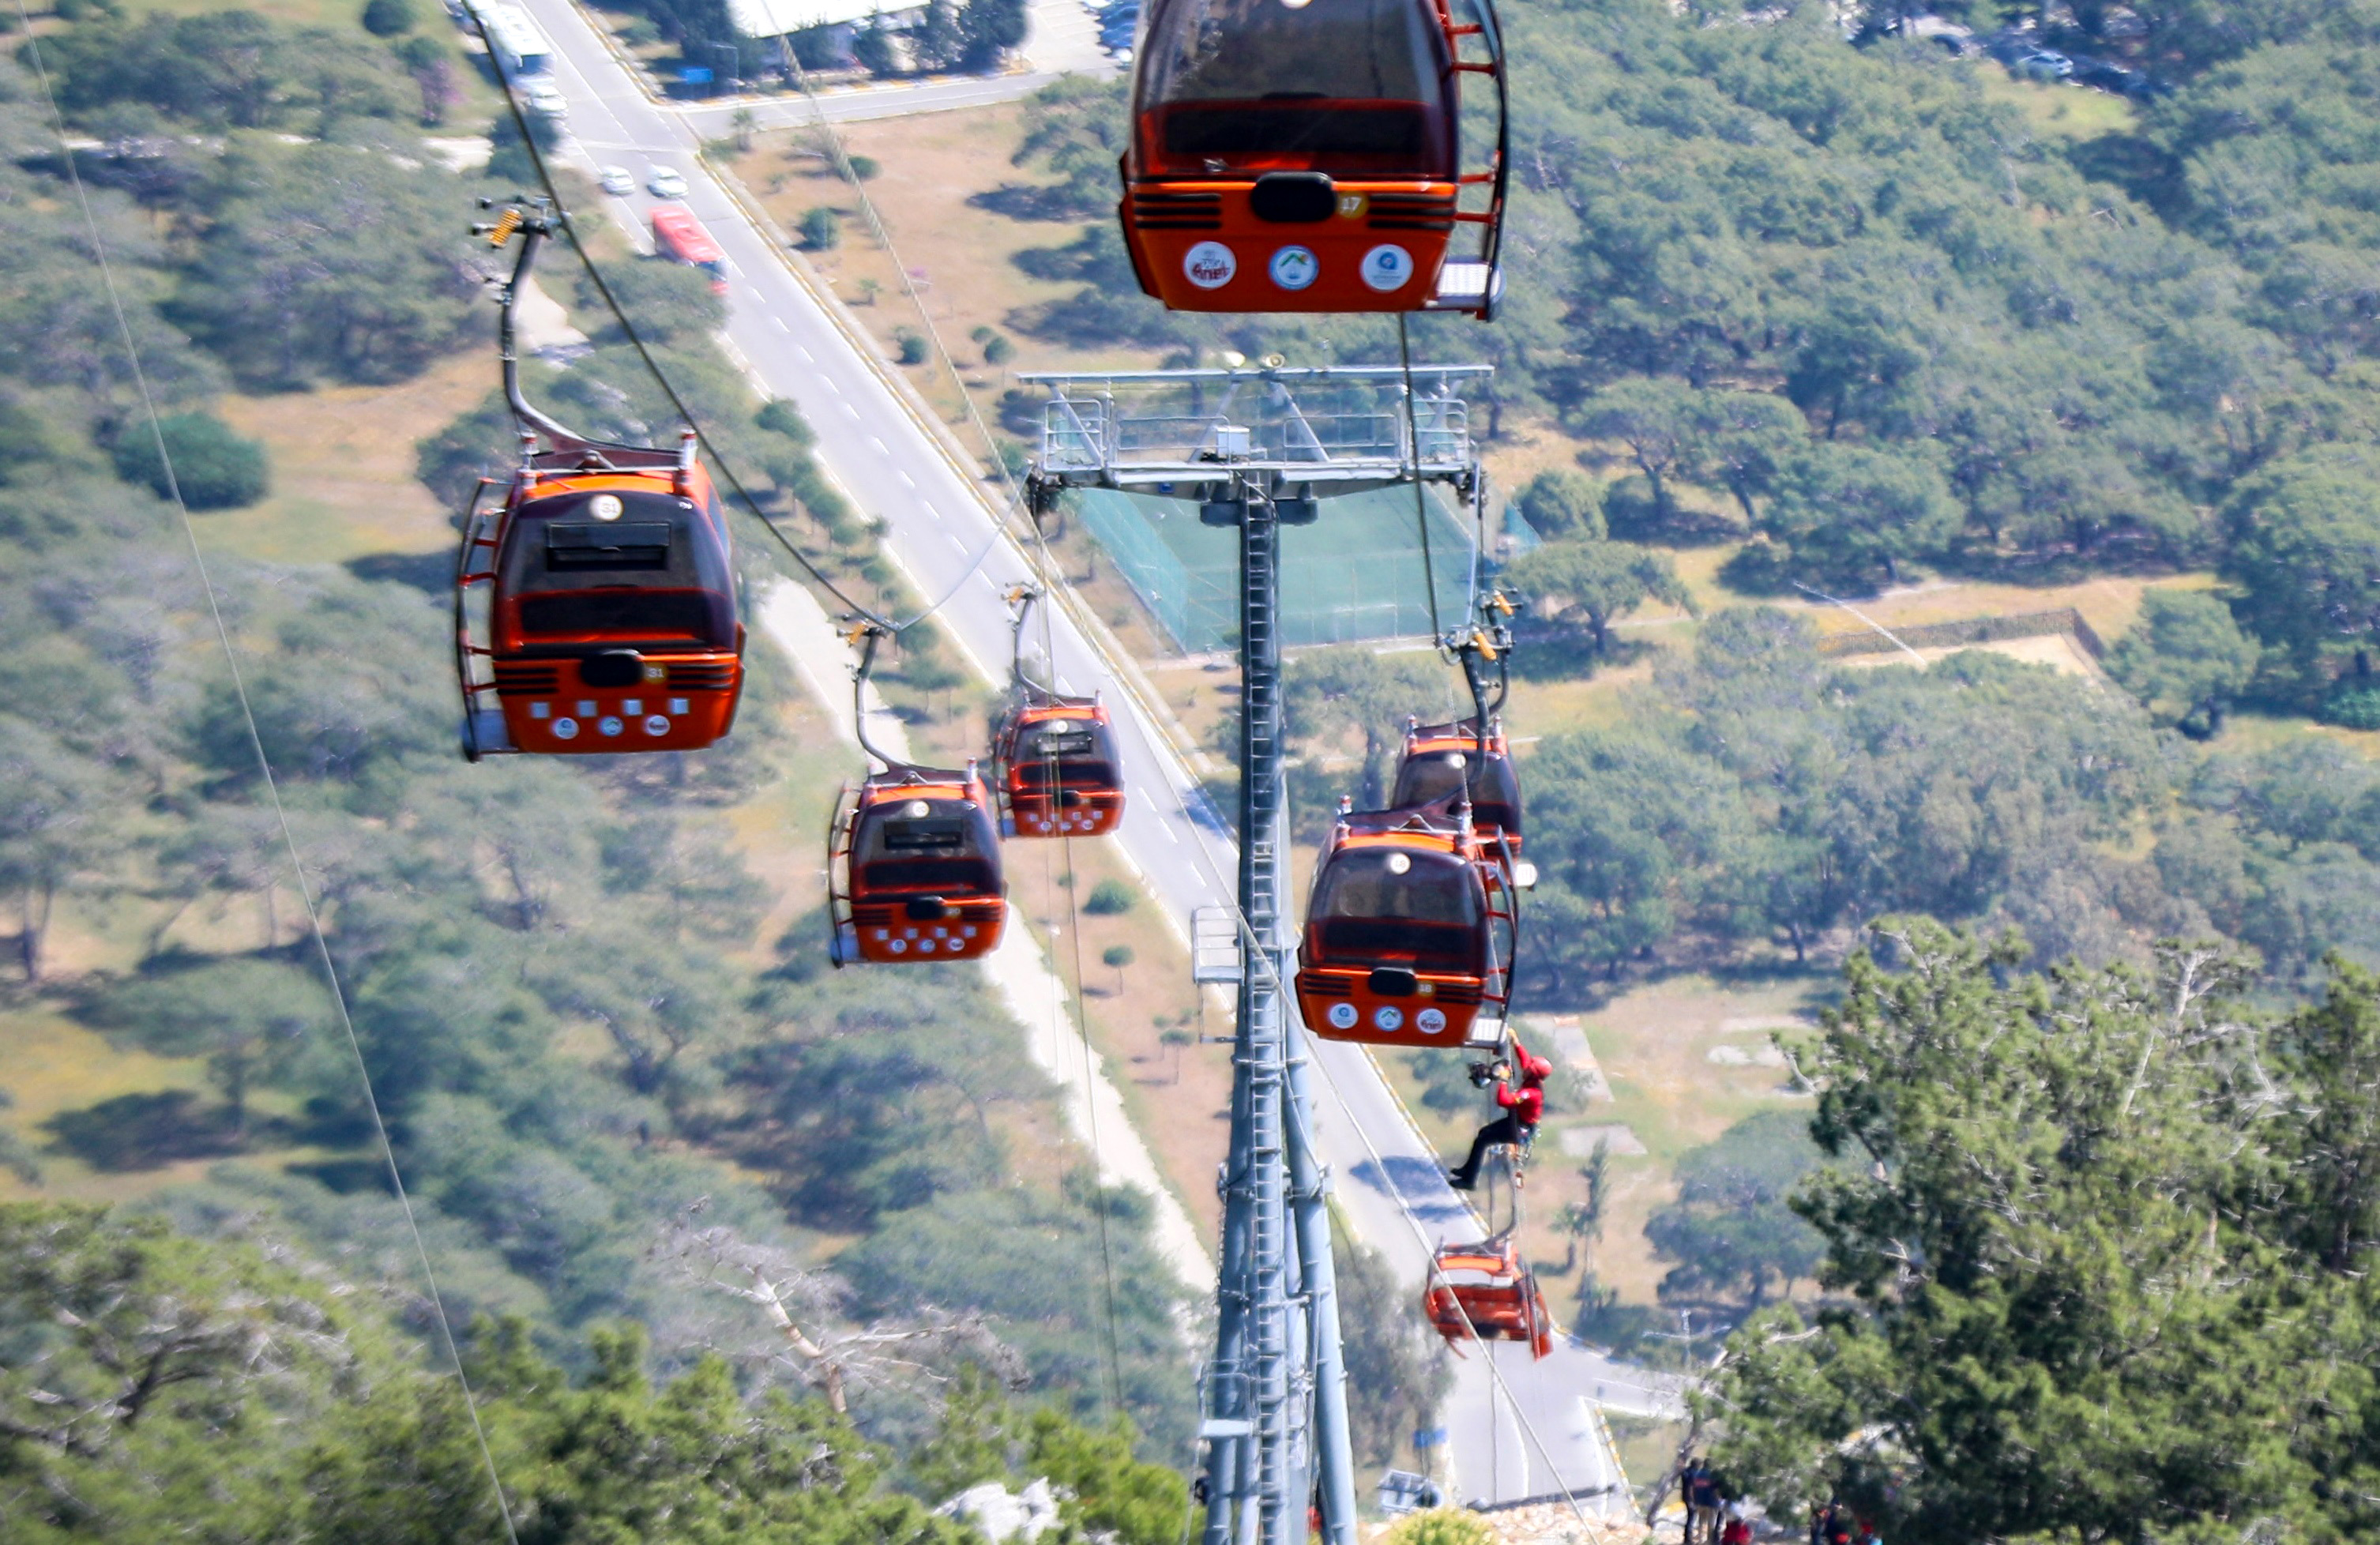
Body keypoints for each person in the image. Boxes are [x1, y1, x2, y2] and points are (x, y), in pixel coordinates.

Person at [1446, 1040, 1549, 1191]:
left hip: (1519, 1129)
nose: (1526, 1069)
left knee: (1483, 1141)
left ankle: (1470, 1181)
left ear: (1534, 1073)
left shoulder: (1532, 1093)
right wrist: (1517, 1043)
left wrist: (1503, 1080)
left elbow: (1504, 1101)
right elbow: (1525, 1061)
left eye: (1530, 1069)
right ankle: (1468, 1170)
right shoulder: (1531, 1078)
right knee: (1483, 1133)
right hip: (1515, 1122)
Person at [1679, 1457, 1720, 1545]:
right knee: (1711, 1523)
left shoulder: (1698, 1474)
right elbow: (1715, 1489)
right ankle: (1709, 1541)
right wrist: (1718, 1499)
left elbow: (1693, 1488)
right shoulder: (1713, 1475)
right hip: (1711, 1502)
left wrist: (1694, 1500)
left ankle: (1700, 1540)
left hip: (1699, 1502)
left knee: (1701, 1522)